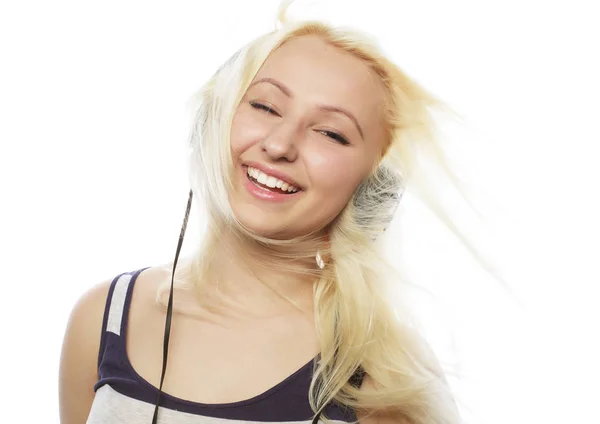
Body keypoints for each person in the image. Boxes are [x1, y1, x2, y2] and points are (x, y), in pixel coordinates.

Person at [59, 2, 468, 423]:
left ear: (373, 189)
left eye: (330, 133)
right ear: (213, 119)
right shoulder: (103, 318)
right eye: (265, 106)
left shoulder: (385, 377)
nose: (279, 145)